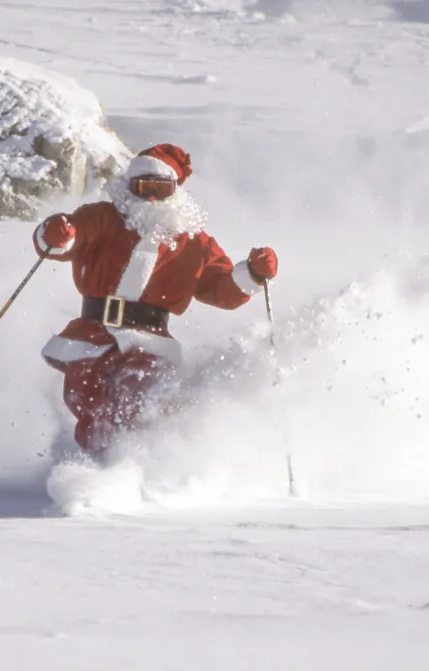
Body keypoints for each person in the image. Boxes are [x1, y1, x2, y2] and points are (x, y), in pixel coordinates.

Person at [33, 143, 278, 456]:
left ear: (174, 190)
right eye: (142, 187)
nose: (149, 197)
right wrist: (57, 233)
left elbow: (222, 289)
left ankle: (136, 464)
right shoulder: (101, 218)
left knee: (140, 398)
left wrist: (254, 274)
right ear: (129, 186)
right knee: (89, 399)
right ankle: (90, 467)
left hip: (150, 341)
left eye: (158, 189)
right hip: (93, 333)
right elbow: (65, 241)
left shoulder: (193, 241)